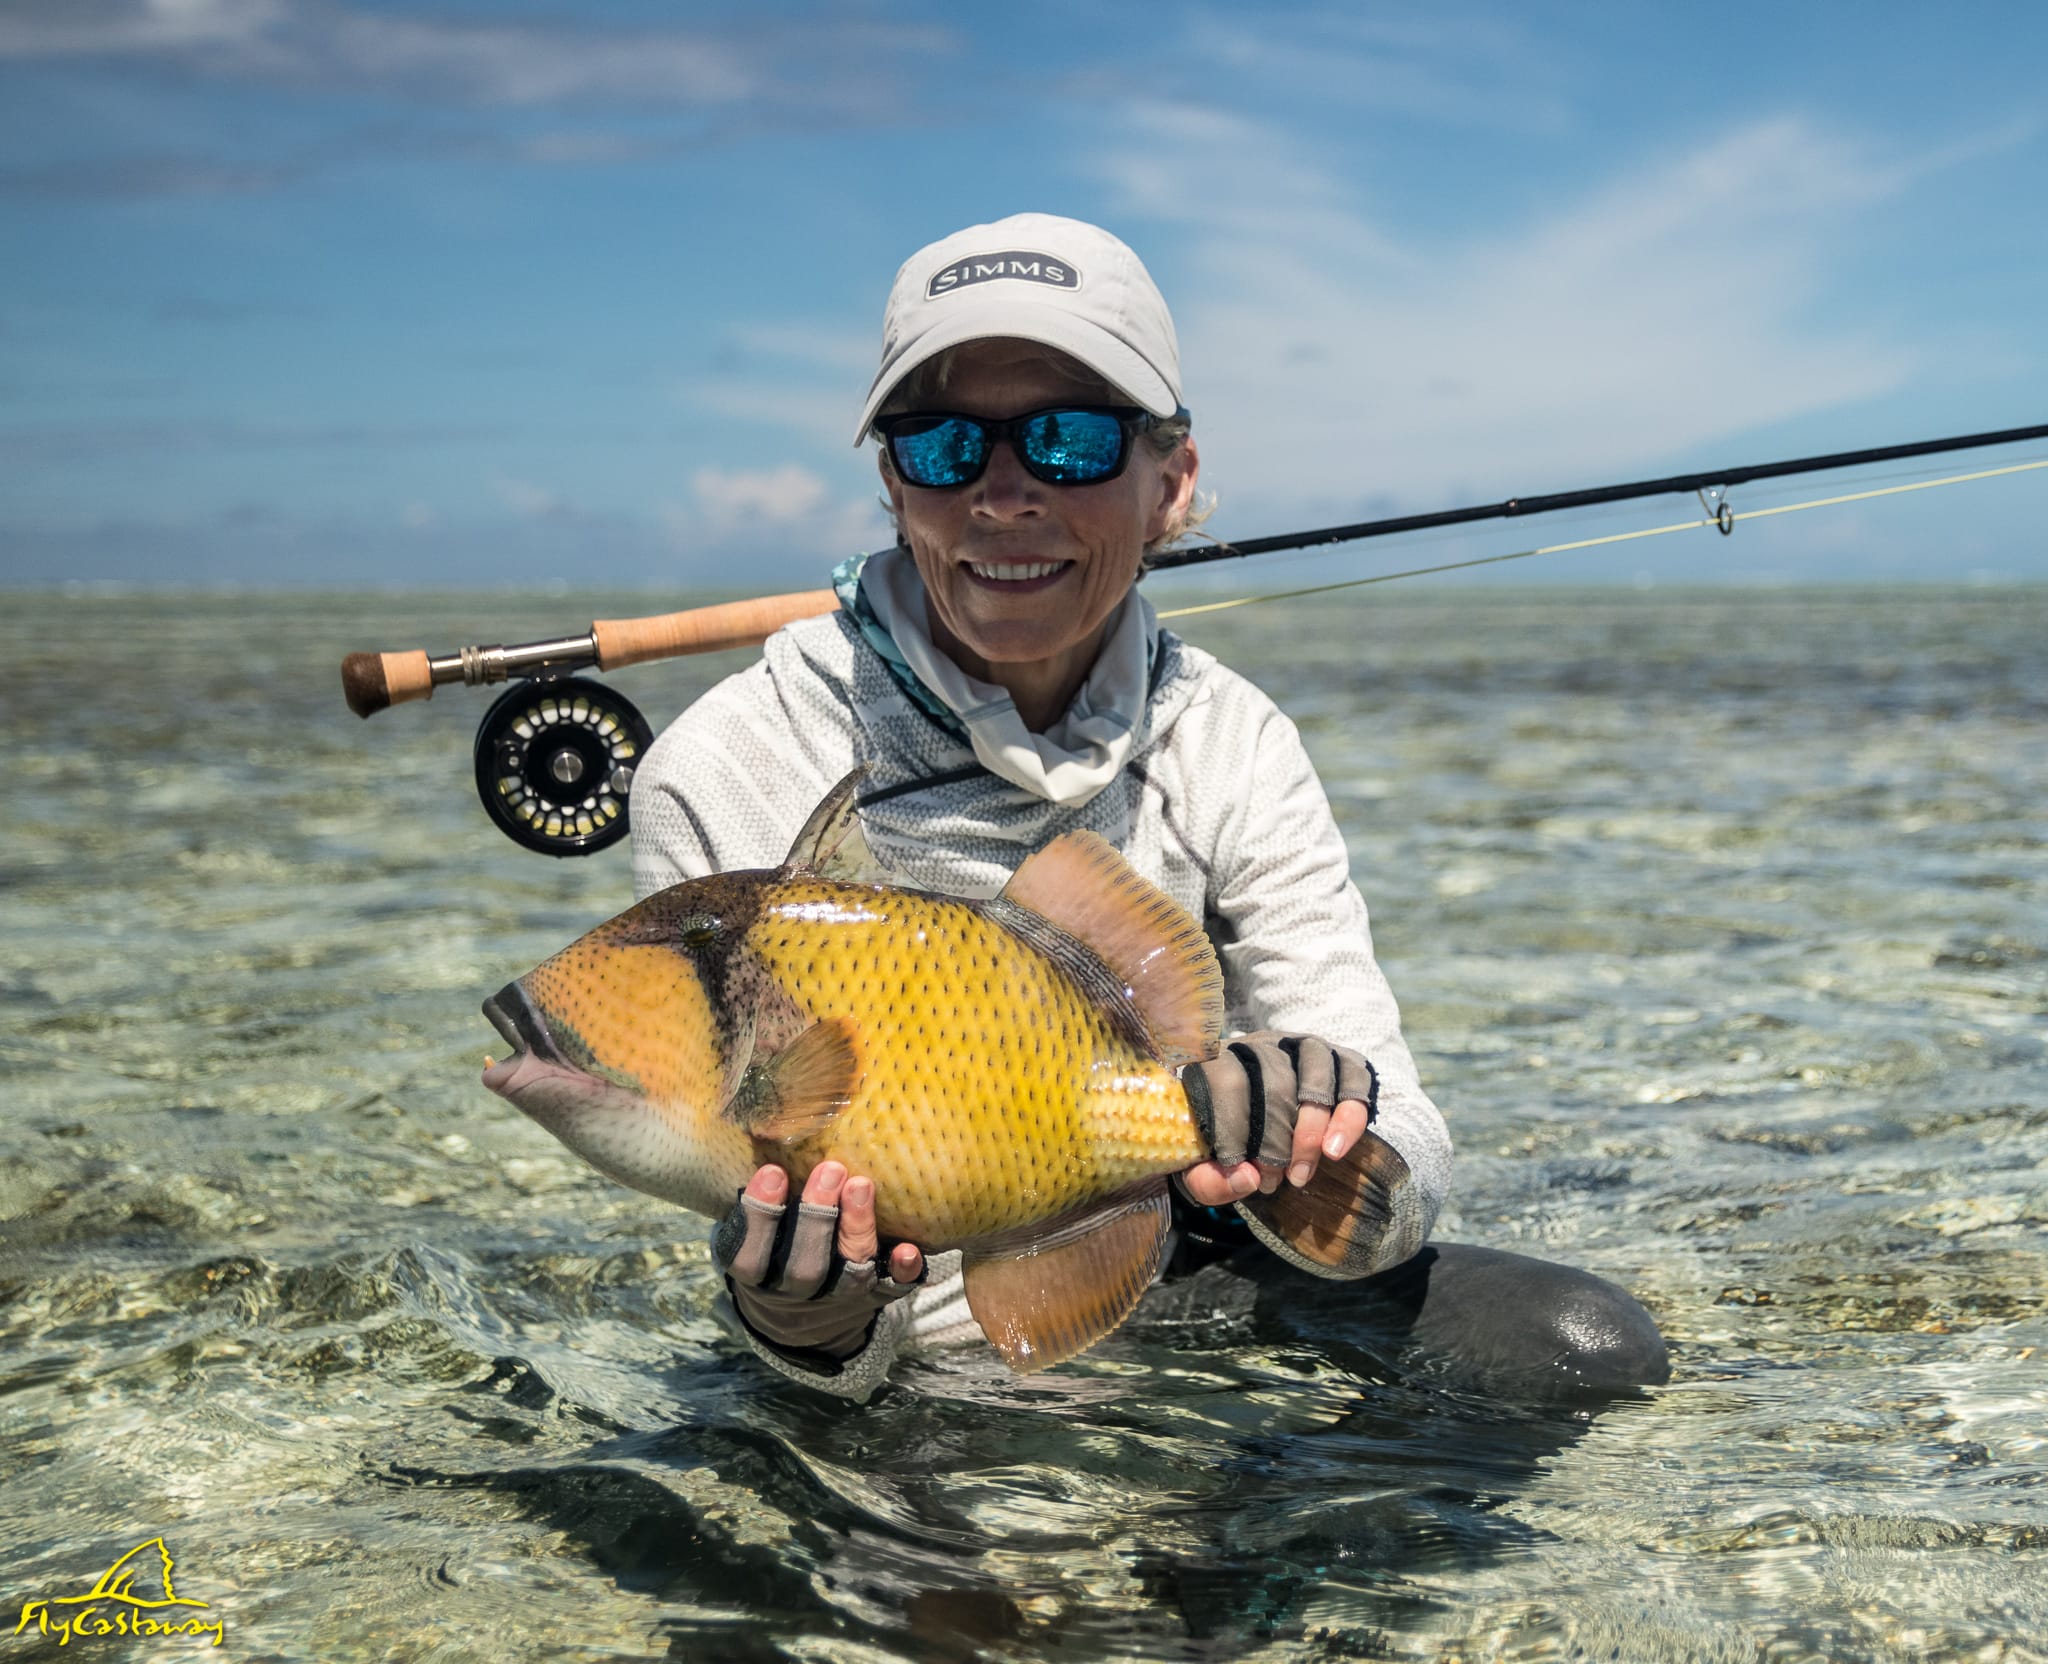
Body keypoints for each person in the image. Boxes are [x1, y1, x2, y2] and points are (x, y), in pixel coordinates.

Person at [631, 213, 1668, 1401]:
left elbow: (1401, 1137)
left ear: (1169, 483)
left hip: (1174, 1279)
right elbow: (744, 1213)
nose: (1003, 493)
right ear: (891, 484)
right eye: (942, 444)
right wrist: (803, 1324)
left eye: (1069, 441)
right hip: (896, 1374)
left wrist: (1318, 1135)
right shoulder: (721, 767)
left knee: (1587, 1349)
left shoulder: (1232, 740)